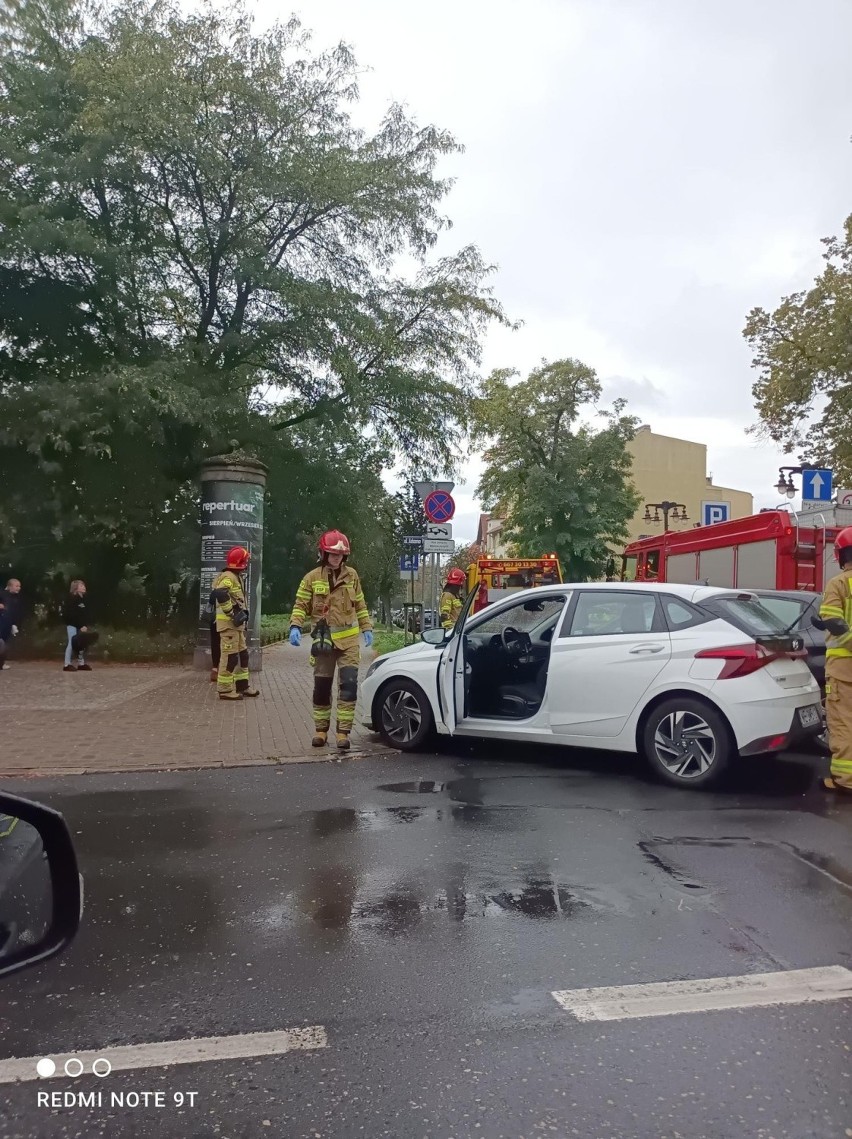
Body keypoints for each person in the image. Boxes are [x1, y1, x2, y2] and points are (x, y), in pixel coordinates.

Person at [288, 530, 373, 751]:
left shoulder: (352, 576)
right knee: (322, 688)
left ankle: (343, 733)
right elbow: (300, 605)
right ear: (323, 554)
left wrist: (367, 628)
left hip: (349, 643)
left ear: (345, 556)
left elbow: (361, 605)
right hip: (323, 644)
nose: (336, 558)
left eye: (340, 555)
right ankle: (321, 731)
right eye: (331, 554)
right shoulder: (311, 578)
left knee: (349, 686)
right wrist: (295, 626)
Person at [815, 526, 852, 794]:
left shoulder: (839, 583)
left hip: (845, 670)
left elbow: (834, 620)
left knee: (843, 722)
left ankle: (845, 781)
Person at [212, 546, 260, 702]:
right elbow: (220, 593)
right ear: (241, 562)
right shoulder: (228, 576)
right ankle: (225, 690)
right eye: (245, 561)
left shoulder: (235, 576)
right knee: (230, 657)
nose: (247, 564)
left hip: (236, 627)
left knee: (242, 656)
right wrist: (231, 613)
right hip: (228, 627)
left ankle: (242, 686)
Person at [62, 580, 93, 672]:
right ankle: (67, 664)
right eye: (81, 586)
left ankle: (81, 663)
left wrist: (85, 625)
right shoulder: (72, 599)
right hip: (72, 625)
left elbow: (84, 614)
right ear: (76, 588)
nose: (84, 587)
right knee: (71, 643)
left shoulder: (83, 599)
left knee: (81, 644)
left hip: (81, 626)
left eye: (84, 585)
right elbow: (72, 615)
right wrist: (80, 625)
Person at [0, 579, 21, 670]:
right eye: (16, 586)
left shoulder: (16, 598)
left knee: (5, 643)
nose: (18, 588)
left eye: (19, 586)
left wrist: (14, 624)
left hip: (9, 623)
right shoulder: (2, 594)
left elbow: (15, 612)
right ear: (10, 586)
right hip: (1, 620)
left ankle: (1, 663)